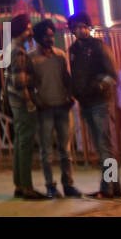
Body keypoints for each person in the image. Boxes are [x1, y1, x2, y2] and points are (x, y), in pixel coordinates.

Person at [67, 12, 121, 199]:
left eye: (84, 26)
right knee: (102, 146)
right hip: (85, 102)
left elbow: (113, 75)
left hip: (100, 102)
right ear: (72, 29)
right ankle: (115, 188)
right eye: (77, 26)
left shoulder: (99, 47)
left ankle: (107, 189)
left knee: (104, 145)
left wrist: (98, 87)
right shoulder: (74, 50)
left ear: (89, 27)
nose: (80, 29)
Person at [30, 19, 80, 197]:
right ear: (38, 38)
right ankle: (50, 186)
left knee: (65, 150)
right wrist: (37, 102)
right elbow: (29, 86)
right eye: (47, 36)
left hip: (62, 107)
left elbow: (67, 79)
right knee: (46, 151)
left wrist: (71, 97)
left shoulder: (60, 55)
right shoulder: (32, 59)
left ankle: (68, 185)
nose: (50, 39)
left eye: (52, 35)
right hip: (44, 110)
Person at [6, 13, 45, 200]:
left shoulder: (11, 48)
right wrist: (30, 104)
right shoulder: (19, 52)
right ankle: (27, 187)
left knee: (20, 144)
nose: (31, 31)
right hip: (22, 104)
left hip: (14, 103)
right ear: (21, 30)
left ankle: (20, 185)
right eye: (28, 28)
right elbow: (19, 82)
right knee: (26, 145)